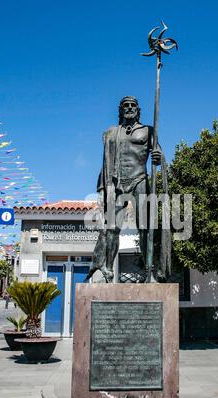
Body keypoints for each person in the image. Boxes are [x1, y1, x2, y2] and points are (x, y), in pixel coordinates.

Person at [86, 96, 170, 283]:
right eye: (126, 106)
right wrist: (102, 187)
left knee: (145, 227)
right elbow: (105, 162)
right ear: (121, 110)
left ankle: (151, 270)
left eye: (133, 106)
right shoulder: (112, 133)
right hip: (117, 184)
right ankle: (107, 268)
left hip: (139, 180)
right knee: (112, 228)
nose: (129, 108)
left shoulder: (148, 130)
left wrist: (157, 157)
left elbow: (159, 154)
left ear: (138, 110)